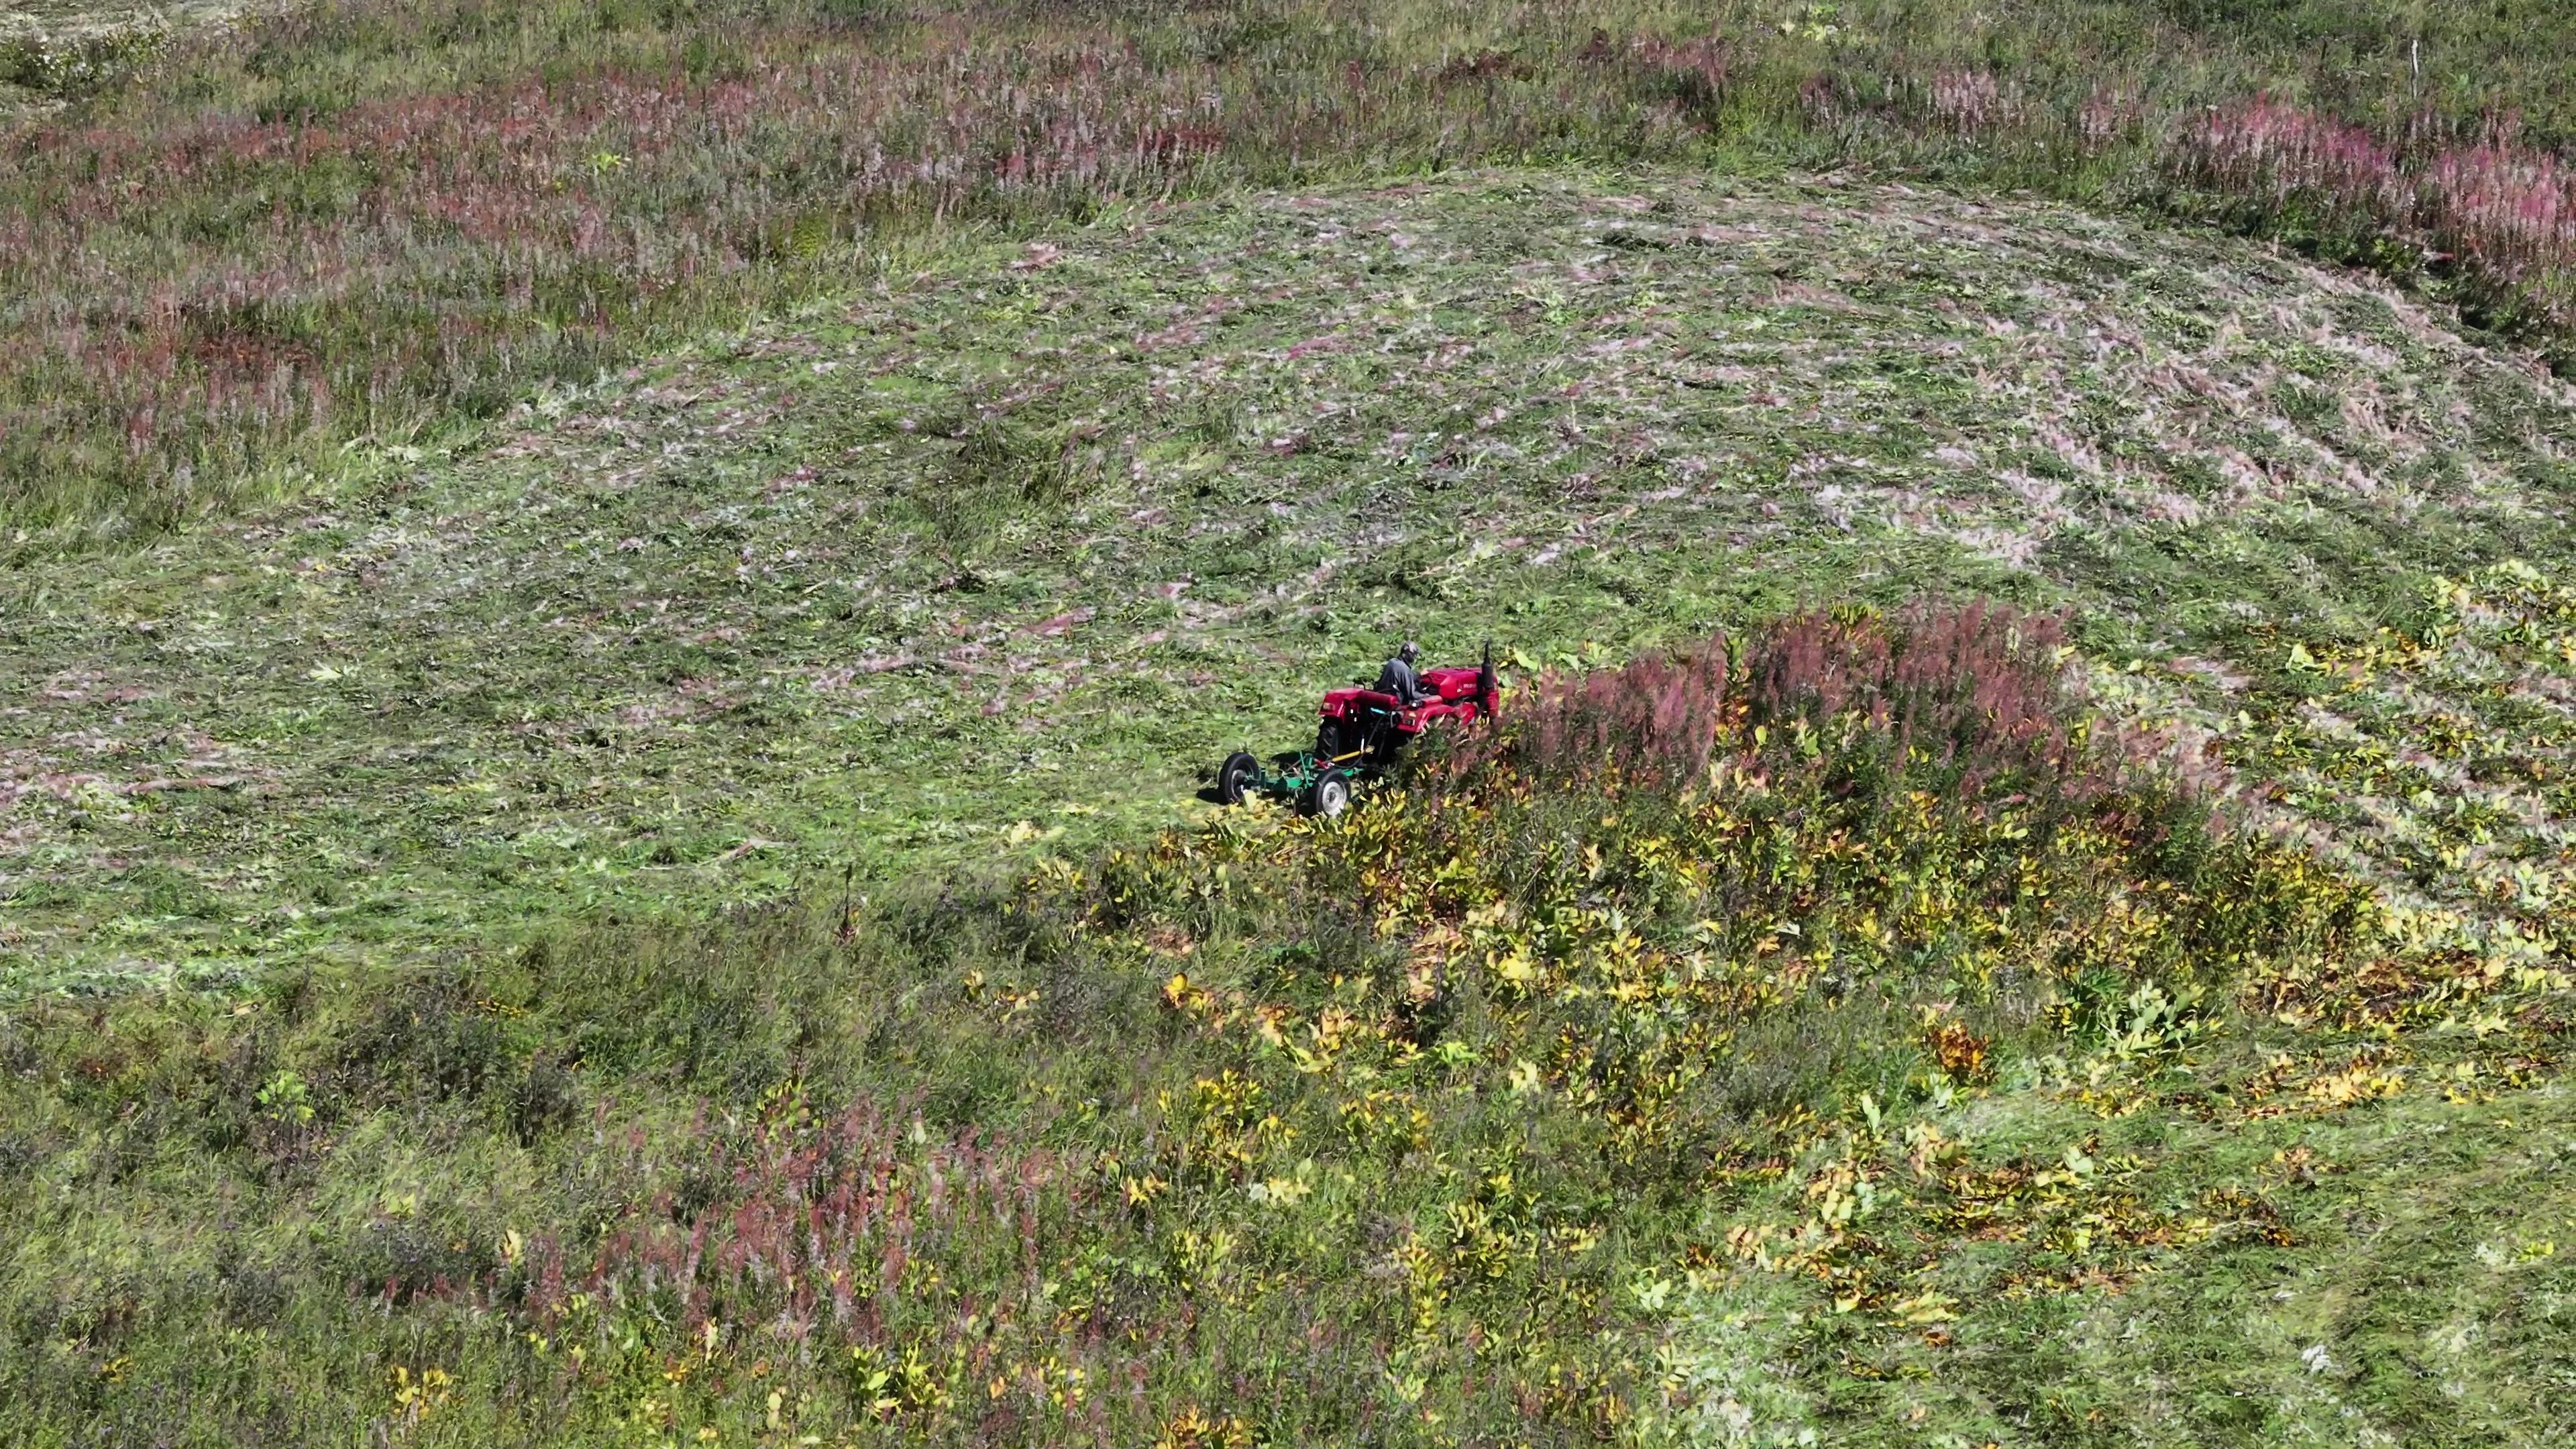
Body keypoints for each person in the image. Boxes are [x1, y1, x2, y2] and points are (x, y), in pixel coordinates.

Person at [1375, 640, 1428, 707]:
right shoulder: (1404, 668)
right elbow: (1412, 694)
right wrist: (1428, 696)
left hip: (1383, 697)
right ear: (1408, 653)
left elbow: (1403, 677)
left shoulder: (1392, 662)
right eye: (1414, 654)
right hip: (1395, 704)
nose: (1414, 657)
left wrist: (1419, 675)